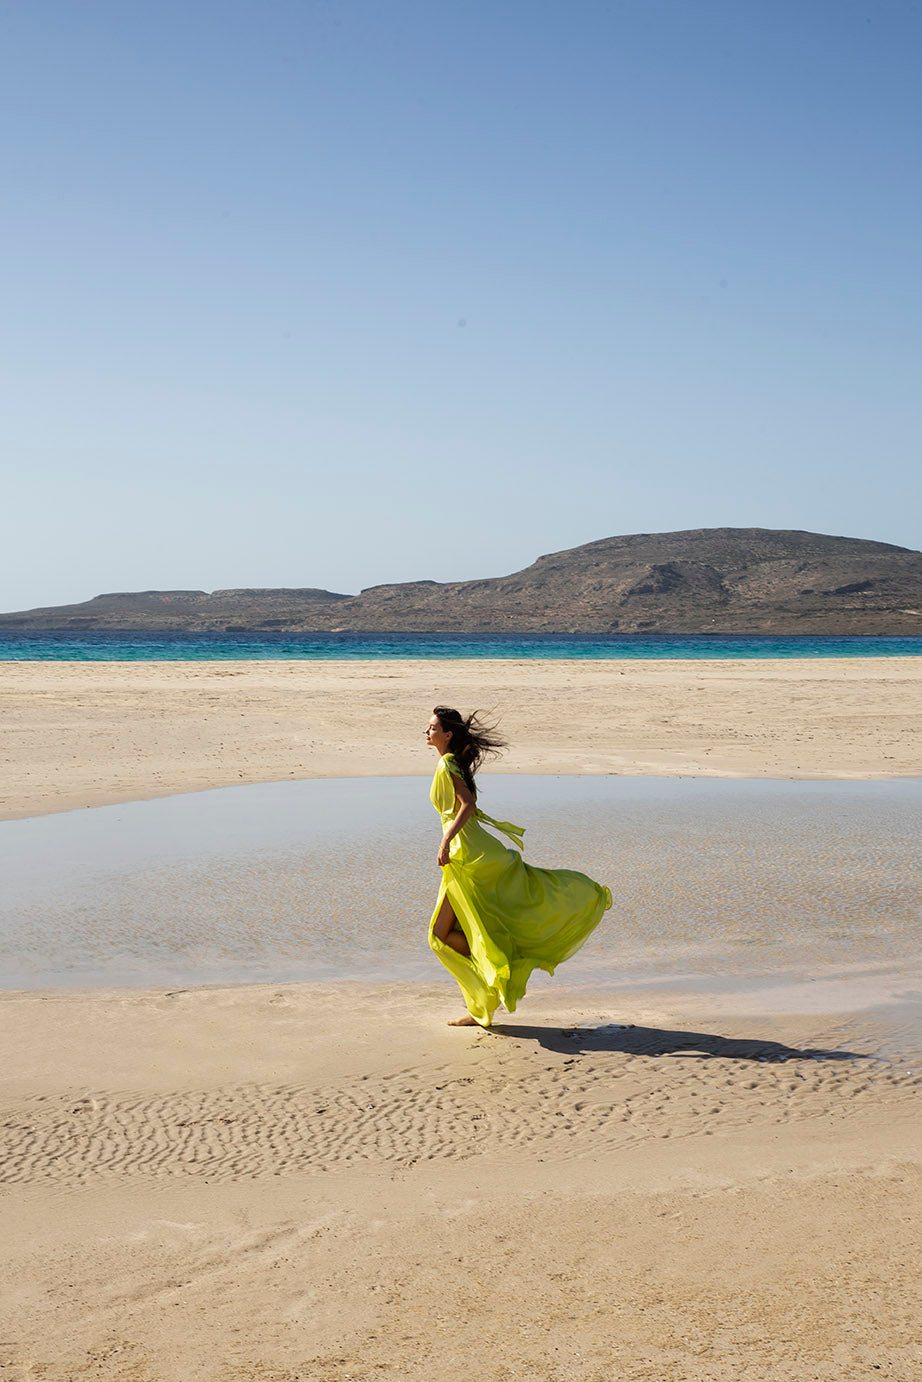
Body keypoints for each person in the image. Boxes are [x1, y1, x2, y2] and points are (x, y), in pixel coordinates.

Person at [426, 706, 612, 1027]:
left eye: (431, 727)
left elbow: (467, 805)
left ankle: (497, 966)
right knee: (449, 933)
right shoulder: (451, 762)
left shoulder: (447, 763)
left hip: (467, 856)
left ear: (448, 734)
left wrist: (444, 843)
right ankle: (494, 969)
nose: (426, 732)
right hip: (468, 852)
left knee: (439, 935)